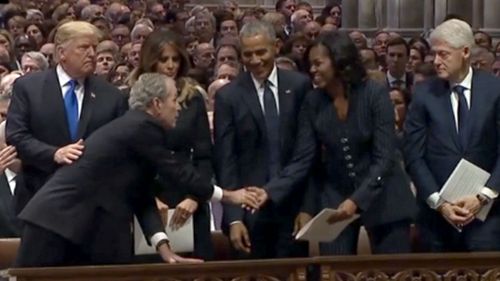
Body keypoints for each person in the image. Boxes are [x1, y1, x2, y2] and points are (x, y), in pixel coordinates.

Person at [15, 73, 261, 267]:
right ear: (156, 104)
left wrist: (163, 247)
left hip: (76, 227)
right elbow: (178, 172)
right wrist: (229, 196)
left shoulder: (137, 130)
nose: (178, 108)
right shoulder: (141, 126)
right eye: (174, 100)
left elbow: (142, 194)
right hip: (55, 225)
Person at [250, 31, 416, 255]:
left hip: (385, 196)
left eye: (318, 63)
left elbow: (385, 158)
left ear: (340, 61)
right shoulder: (313, 101)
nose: (312, 70)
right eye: (310, 64)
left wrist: (356, 201)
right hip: (336, 197)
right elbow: (304, 159)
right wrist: (271, 191)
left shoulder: (374, 94)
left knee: (391, 271)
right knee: (333, 270)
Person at [6, 21, 128, 214]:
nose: (92, 54)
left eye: (94, 48)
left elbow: (121, 148)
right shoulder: (28, 87)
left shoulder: (111, 96)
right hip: (39, 196)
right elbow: (16, 135)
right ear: (62, 53)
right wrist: (54, 154)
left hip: (92, 203)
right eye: (84, 47)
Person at [214, 20, 312, 259]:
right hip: (249, 212)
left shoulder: (299, 86)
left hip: (293, 208)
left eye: (261, 52)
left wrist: (307, 208)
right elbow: (226, 161)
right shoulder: (229, 96)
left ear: (276, 47)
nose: (255, 60)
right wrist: (234, 218)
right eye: (248, 54)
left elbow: (308, 155)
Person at [404, 19, 500, 252]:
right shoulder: (424, 94)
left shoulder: (495, 90)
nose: (436, 61)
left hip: (487, 218)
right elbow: (413, 155)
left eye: (443, 54)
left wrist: (483, 197)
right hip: (436, 220)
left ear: (465, 52)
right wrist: (439, 203)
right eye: (434, 54)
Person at [129, 28, 215, 260]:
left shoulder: (192, 98)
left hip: (189, 199)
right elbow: (129, 160)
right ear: (150, 61)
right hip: (147, 200)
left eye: (175, 59)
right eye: (163, 59)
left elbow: (204, 156)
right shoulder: (131, 98)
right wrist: (149, 199)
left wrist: (195, 197)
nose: (170, 65)